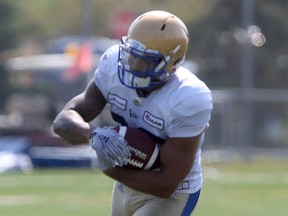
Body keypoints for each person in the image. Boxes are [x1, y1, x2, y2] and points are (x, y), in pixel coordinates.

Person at [53, 10, 213, 216]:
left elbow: (167, 184)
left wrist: (111, 169)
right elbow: (63, 121)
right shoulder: (112, 63)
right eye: (132, 54)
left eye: (147, 61)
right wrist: (93, 135)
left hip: (171, 195)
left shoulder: (189, 97)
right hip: (127, 184)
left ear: (172, 63)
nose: (135, 65)